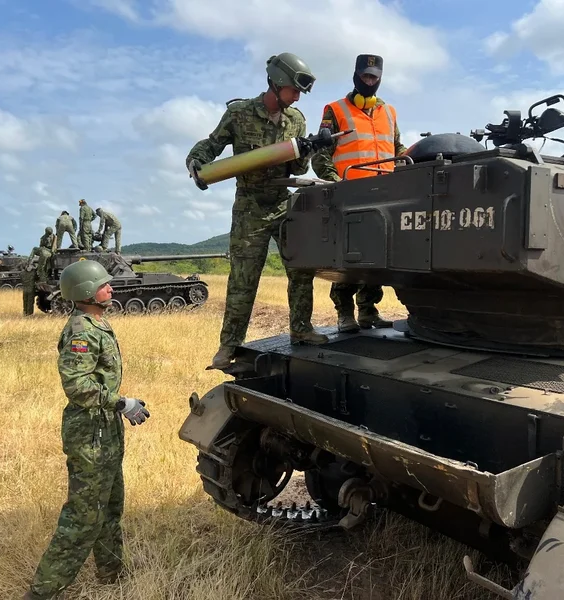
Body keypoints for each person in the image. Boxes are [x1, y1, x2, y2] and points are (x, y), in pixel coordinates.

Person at [185, 52, 334, 370]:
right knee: (243, 280)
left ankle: (301, 328)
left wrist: (311, 148)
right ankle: (229, 345)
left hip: (283, 204)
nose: (297, 97)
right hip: (249, 208)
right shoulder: (239, 113)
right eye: (294, 90)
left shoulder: (297, 120)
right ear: (278, 83)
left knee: (300, 268)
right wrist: (195, 161)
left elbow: (297, 164)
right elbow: (211, 145)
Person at [23, 260, 150, 600]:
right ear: (86, 291)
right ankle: (42, 592)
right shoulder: (81, 331)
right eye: (104, 284)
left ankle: (111, 574)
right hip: (90, 431)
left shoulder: (97, 322)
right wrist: (122, 403)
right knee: (83, 517)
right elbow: (77, 387)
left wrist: (117, 408)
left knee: (109, 508)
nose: (112, 288)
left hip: (103, 427)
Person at [312, 54, 406, 333]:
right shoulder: (335, 110)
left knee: (380, 256)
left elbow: (398, 148)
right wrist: (336, 183)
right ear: (355, 76)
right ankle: (344, 314)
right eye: (365, 76)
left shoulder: (389, 112)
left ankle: (368, 311)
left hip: (386, 195)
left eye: (374, 77)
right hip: (350, 196)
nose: (369, 81)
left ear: (379, 79)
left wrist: (409, 167)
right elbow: (320, 154)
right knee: (350, 257)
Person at [21, 248, 40, 317]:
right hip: (31, 290)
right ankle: (30, 314)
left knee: (25, 302)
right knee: (30, 303)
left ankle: (25, 313)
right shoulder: (32, 273)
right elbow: (37, 277)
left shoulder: (22, 273)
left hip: (25, 290)